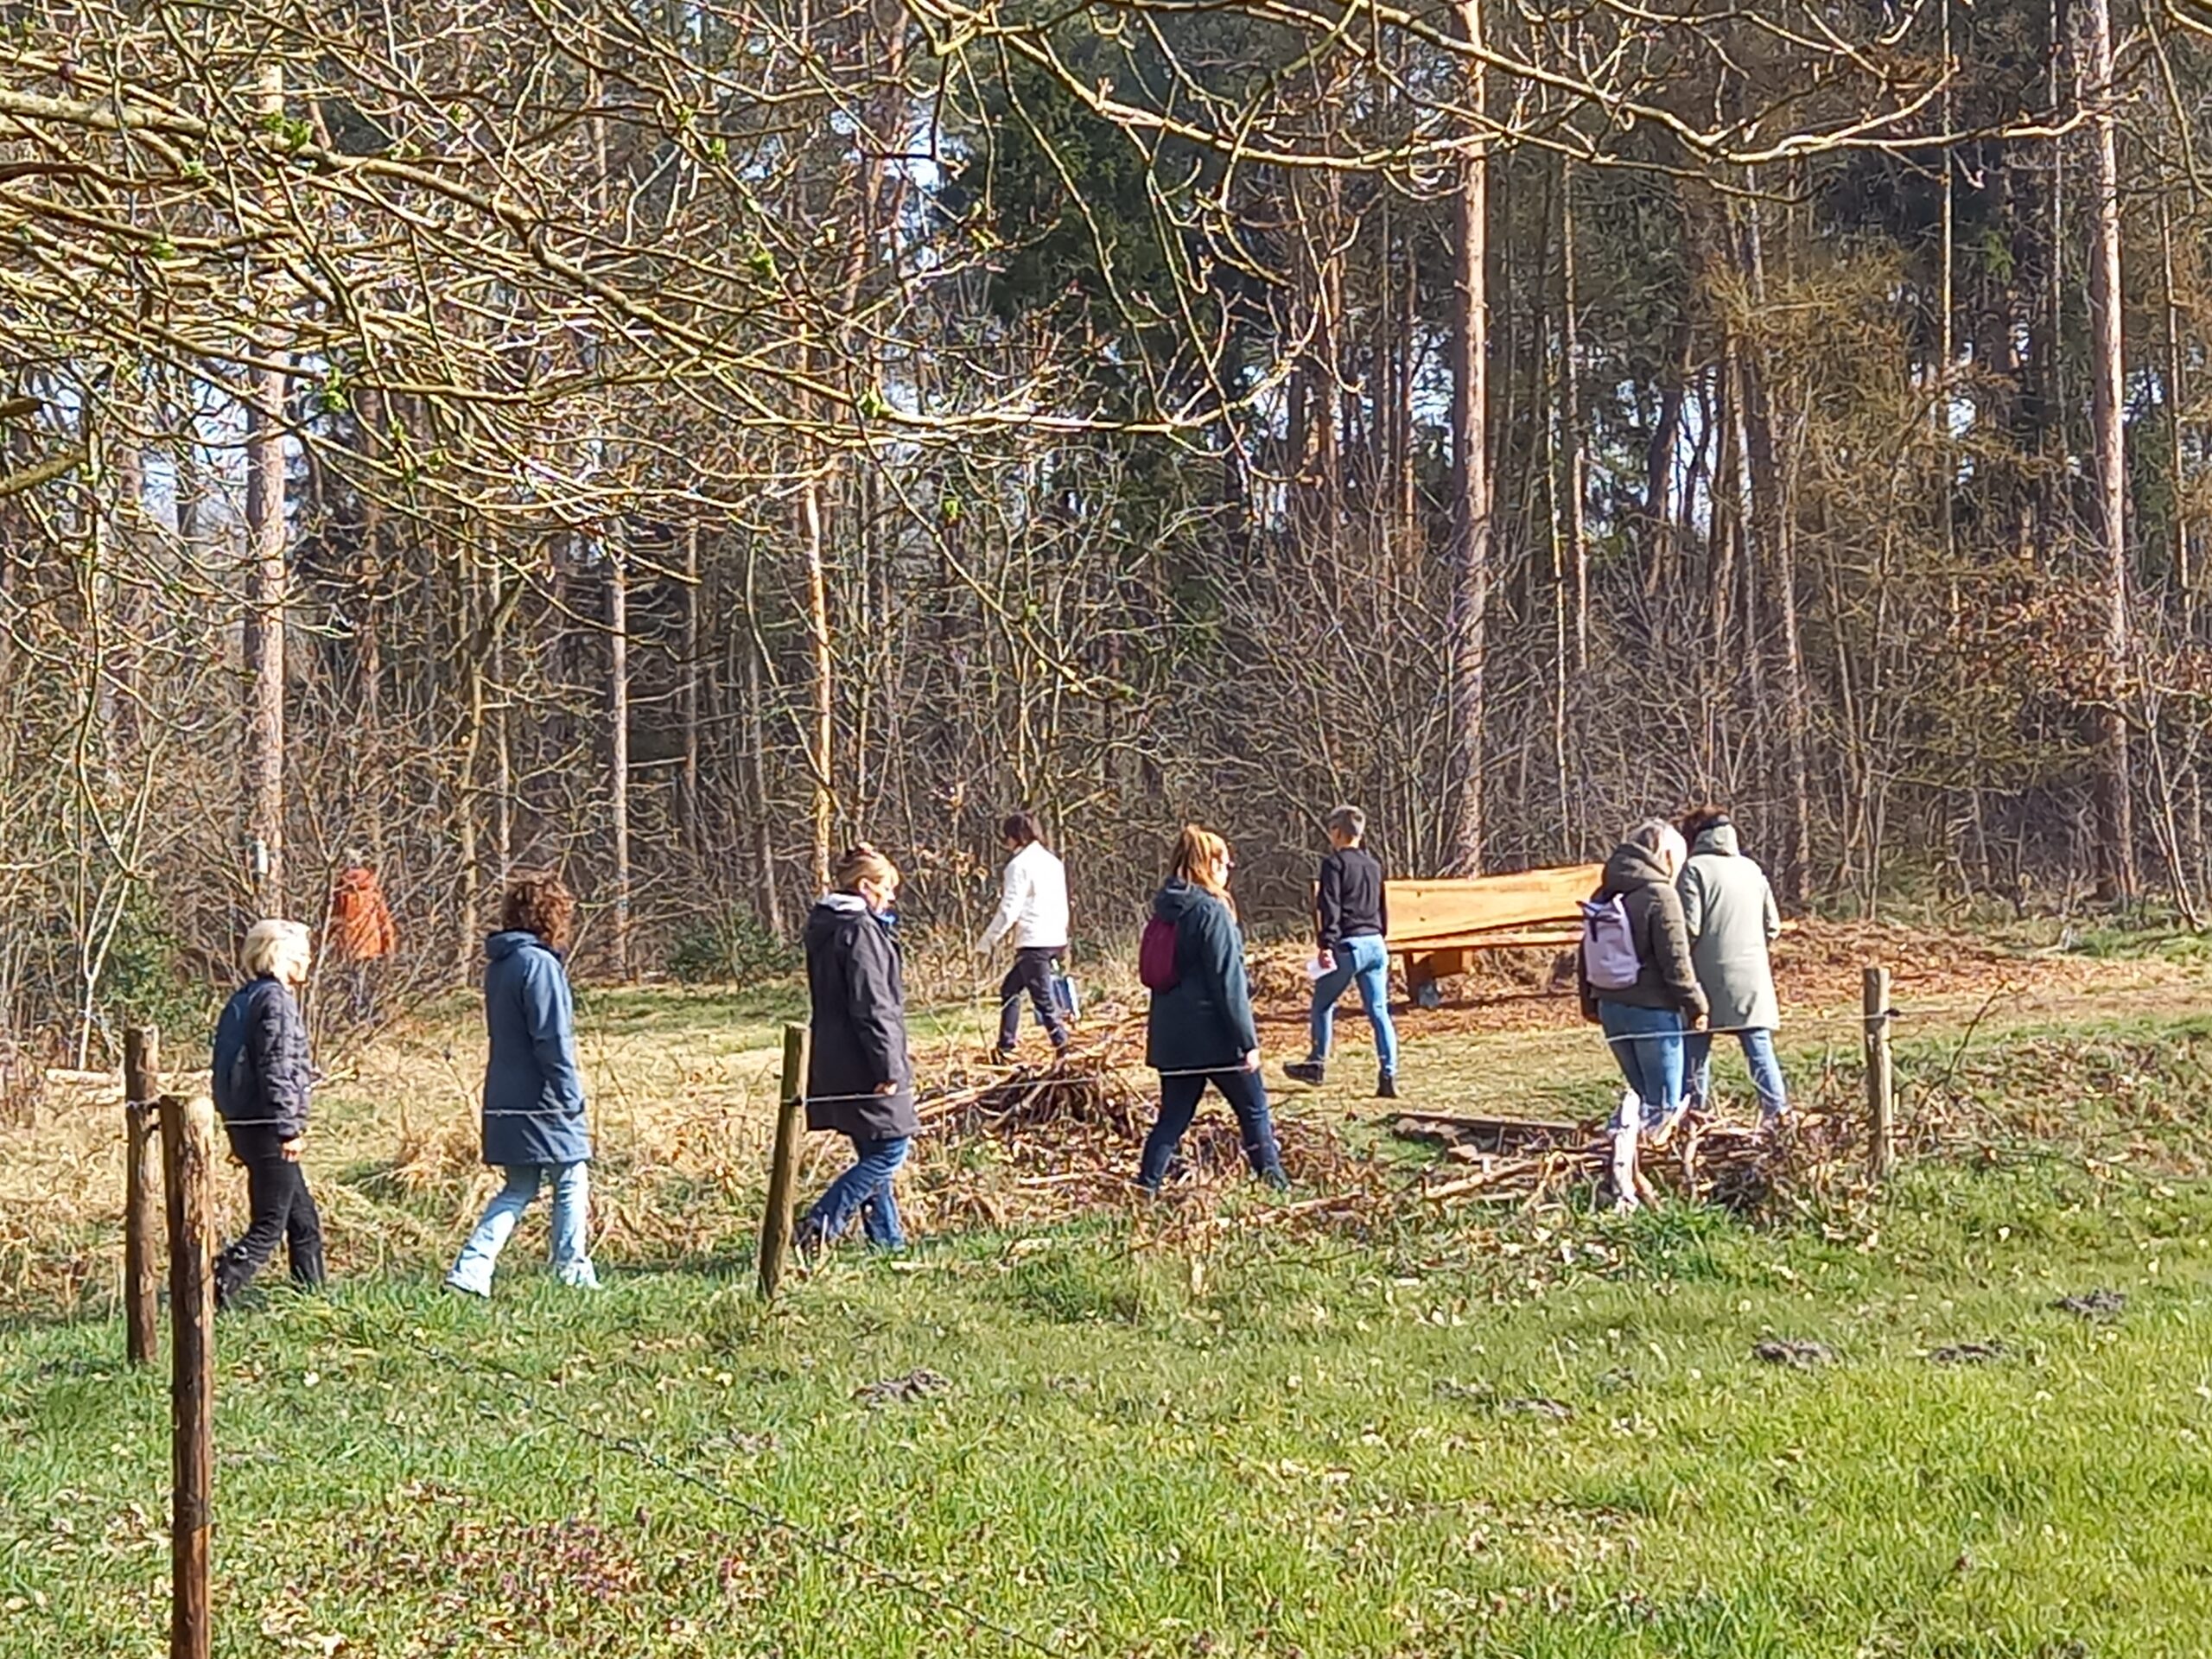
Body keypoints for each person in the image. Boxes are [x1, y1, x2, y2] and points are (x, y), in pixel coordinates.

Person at [445, 872, 600, 1297]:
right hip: (543, 1098)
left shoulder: (502, 965)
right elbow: (551, 1037)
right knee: (571, 1175)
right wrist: (569, 1094)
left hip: (505, 1095)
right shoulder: (539, 965)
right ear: (552, 918)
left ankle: (470, 1272)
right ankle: (571, 1271)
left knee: (519, 1187)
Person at [1136, 826, 1287, 1194]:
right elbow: (1228, 982)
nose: (1228, 869)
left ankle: (1145, 1189)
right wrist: (1247, 1041)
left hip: (1173, 1039)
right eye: (1224, 862)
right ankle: (1275, 1184)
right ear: (1209, 864)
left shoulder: (1164, 911)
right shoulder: (1211, 911)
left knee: (1171, 1119)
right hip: (1216, 1039)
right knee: (1253, 1108)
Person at [798, 844, 918, 1254]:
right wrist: (888, 1067)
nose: (892, 897)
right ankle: (820, 1223)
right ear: (865, 887)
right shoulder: (861, 930)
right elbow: (873, 1005)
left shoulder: (827, 924)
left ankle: (888, 1243)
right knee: (890, 1150)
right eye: (887, 887)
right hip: (864, 1060)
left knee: (873, 1146)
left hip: (835, 1056)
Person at [211, 919, 326, 1308]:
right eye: (302, 954)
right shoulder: (276, 1000)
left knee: (303, 1219)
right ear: (281, 956)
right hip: (269, 1126)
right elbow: (275, 1065)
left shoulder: (244, 998)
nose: (308, 961)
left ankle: (312, 1301)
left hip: (246, 1122)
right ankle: (216, 1287)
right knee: (270, 1224)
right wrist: (288, 1128)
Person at [1578, 819, 1707, 1138]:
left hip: (1611, 1006)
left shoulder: (1605, 890)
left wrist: (1590, 1003)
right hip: (1652, 1010)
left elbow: (1584, 952)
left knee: (1640, 1099)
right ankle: (1659, 1171)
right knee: (1664, 1106)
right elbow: (1676, 961)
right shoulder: (1660, 895)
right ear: (1665, 856)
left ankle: (1624, 1158)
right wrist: (1696, 1006)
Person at [1677, 804, 1788, 1125]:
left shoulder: (1694, 869)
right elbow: (1773, 927)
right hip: (1752, 976)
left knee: (1696, 1048)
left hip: (1705, 978)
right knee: (1758, 1046)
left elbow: (1689, 928)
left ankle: (1695, 1117)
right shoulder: (1751, 869)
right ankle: (1777, 1114)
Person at [1284, 804, 1401, 1098]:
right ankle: (1389, 1074)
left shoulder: (1334, 865)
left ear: (1338, 832)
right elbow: (1381, 906)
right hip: (1375, 943)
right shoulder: (1374, 865)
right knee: (1378, 1011)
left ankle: (1316, 1064)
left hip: (1349, 945)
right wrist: (1380, 934)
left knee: (1323, 1005)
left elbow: (1330, 907)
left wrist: (1326, 945)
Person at [976, 810, 1071, 1064]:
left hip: (1034, 940)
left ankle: (1064, 1047)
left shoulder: (1018, 866)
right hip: (1053, 936)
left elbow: (1009, 910)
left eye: (1007, 837)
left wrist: (987, 941)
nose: (1005, 843)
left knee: (1043, 1000)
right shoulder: (1053, 862)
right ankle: (1006, 1044)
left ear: (1015, 837)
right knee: (1010, 989)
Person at [327, 853, 398, 1022]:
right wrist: (389, 942)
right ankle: (368, 1014)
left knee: (353, 981)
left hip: (349, 942)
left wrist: (328, 942)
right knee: (368, 981)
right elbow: (383, 917)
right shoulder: (372, 887)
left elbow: (333, 918)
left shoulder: (340, 889)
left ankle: (357, 1014)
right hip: (372, 943)